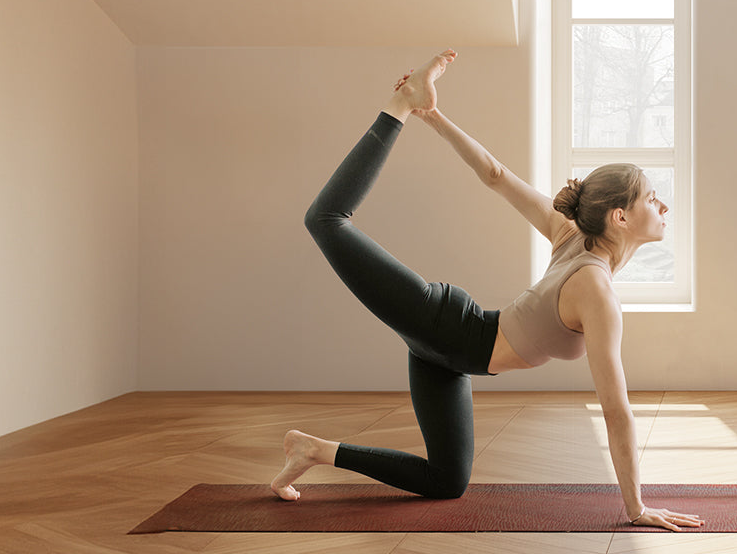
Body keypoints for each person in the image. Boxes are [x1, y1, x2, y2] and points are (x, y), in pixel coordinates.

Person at [268, 49, 703, 532]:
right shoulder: (595, 289)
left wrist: (435, 116)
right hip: (445, 326)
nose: (662, 204)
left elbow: (495, 174)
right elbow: (616, 410)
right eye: (650, 198)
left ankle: (313, 450)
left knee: (446, 479)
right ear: (620, 217)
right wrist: (637, 508)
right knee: (326, 220)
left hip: (450, 356)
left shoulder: (573, 237)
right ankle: (396, 107)